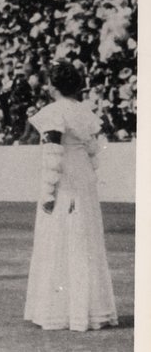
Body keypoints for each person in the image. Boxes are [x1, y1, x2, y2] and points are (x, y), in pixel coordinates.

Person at [23, 61, 118, 331]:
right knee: (83, 237)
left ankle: (61, 311)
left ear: (53, 86)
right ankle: (87, 310)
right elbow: (94, 149)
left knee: (60, 236)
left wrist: (48, 191)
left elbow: (53, 154)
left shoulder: (54, 112)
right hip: (83, 177)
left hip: (66, 178)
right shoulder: (84, 111)